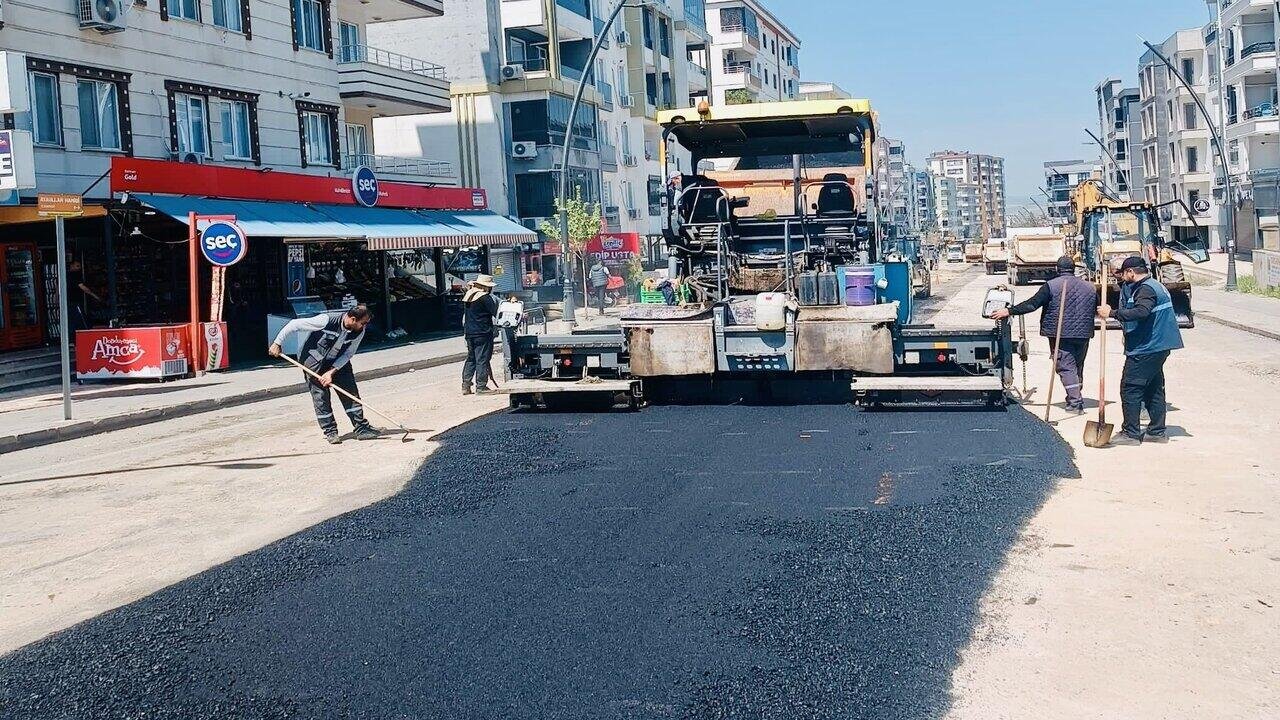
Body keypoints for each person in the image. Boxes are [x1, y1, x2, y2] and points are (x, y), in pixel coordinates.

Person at [990, 255, 1098, 413]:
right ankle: (1074, 395)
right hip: (1083, 334)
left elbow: (1033, 304)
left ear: (1057, 269)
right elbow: (1095, 308)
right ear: (1074, 269)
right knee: (1077, 365)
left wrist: (1009, 311)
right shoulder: (1090, 287)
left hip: (1060, 333)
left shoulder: (1052, 286)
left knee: (1065, 366)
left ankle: (1075, 402)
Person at [1098, 256, 1183, 445]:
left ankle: (1131, 433)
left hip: (1148, 347)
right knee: (1153, 388)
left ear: (1131, 272)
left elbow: (1141, 312)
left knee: (1130, 387)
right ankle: (1157, 432)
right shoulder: (1153, 284)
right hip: (1158, 345)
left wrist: (1110, 313)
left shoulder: (1145, 289)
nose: (1121, 277)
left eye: (1123, 273)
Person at [270, 305, 378, 444]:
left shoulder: (359, 332)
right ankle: (330, 432)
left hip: (337, 362)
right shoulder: (326, 320)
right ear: (352, 319)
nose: (364, 326)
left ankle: (362, 428)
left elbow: (348, 353)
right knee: (321, 397)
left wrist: (332, 371)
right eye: (363, 323)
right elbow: (294, 324)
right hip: (314, 361)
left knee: (350, 393)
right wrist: (277, 343)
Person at [462, 274, 500, 395]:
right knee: (482, 359)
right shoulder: (485, 298)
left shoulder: (469, 296)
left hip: (469, 333)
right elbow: (496, 312)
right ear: (486, 287)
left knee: (471, 359)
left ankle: (466, 385)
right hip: (483, 333)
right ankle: (481, 386)